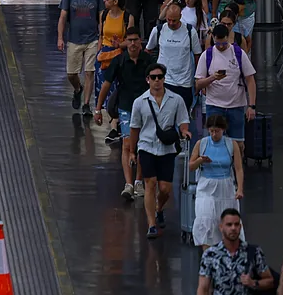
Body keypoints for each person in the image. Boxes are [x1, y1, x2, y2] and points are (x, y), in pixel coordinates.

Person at [129, 62, 191, 238]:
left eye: (160, 77)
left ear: (164, 79)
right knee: (150, 183)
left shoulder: (176, 100)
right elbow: (134, 128)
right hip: (147, 146)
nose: (157, 81)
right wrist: (133, 151)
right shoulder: (139, 102)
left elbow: (183, 120)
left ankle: (159, 208)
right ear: (148, 80)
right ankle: (151, 224)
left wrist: (185, 131)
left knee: (165, 189)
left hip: (167, 149)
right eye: (153, 77)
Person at [96, 29, 155, 200]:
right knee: (127, 144)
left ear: (140, 42)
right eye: (129, 40)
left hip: (146, 108)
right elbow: (106, 85)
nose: (133, 44)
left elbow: (158, 83)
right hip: (126, 107)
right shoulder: (119, 61)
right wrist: (98, 109)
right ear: (125, 42)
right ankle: (128, 184)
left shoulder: (148, 61)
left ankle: (138, 182)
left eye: (136, 40)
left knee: (142, 145)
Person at [196, 21, 257, 155]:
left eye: (224, 43)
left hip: (236, 105)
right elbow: (198, 84)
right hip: (214, 105)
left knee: (238, 145)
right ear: (213, 38)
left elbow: (250, 80)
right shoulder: (207, 55)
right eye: (218, 44)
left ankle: (237, 171)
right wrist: (212, 78)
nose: (221, 46)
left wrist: (251, 106)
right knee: (215, 143)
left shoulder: (238, 53)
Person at [189, 114, 244, 251]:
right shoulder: (201, 144)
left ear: (223, 130)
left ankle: (229, 254)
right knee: (205, 218)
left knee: (227, 220)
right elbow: (191, 166)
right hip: (206, 186)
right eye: (211, 131)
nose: (214, 134)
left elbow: (238, 169)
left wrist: (240, 189)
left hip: (225, 186)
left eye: (217, 131)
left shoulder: (231, 144)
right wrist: (200, 160)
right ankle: (207, 255)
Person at [58, 0, 105, 113]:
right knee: (71, 74)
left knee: (90, 72)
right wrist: (60, 37)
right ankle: (78, 89)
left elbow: (101, 18)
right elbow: (62, 18)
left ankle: (86, 105)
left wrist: (101, 38)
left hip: (92, 39)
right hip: (74, 40)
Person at [197, 209, 273, 295]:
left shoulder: (253, 252)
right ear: (221, 227)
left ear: (240, 227)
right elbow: (203, 288)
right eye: (229, 225)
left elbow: (269, 280)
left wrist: (253, 283)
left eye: (236, 224)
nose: (233, 228)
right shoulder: (210, 254)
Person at [97, 0, 133, 144]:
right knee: (104, 88)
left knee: (117, 90)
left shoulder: (127, 17)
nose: (104, 0)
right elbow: (101, 35)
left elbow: (131, 39)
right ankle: (113, 123)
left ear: (116, 1)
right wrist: (98, 53)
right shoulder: (103, 15)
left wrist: (121, 45)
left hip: (119, 55)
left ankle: (115, 125)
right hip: (105, 56)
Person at [148, 3, 202, 108]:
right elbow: (148, 50)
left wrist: (197, 78)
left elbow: (197, 55)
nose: (171, 23)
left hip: (184, 82)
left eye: (174, 20)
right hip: (164, 80)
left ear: (180, 17)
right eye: (168, 20)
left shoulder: (190, 31)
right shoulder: (158, 30)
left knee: (183, 116)